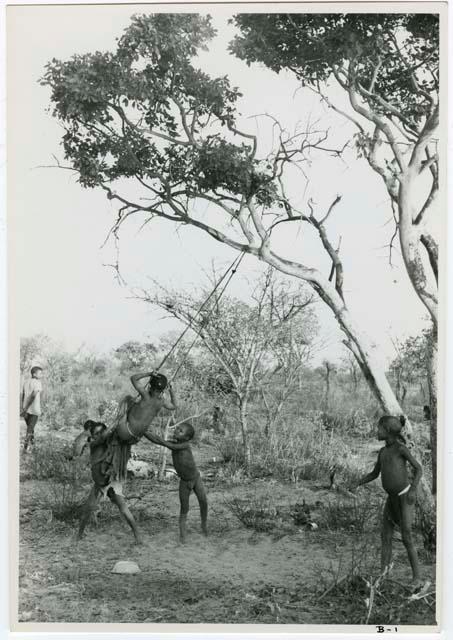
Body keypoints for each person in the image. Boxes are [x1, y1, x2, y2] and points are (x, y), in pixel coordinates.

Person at [351, 415, 423, 589]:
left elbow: (419, 469)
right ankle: (383, 576)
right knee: (386, 536)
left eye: (379, 428)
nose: (377, 431)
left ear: (388, 431)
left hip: (405, 497)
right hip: (391, 499)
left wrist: (413, 489)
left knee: (407, 537)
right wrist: (357, 482)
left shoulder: (401, 449)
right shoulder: (383, 452)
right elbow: (375, 473)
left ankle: (417, 578)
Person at [77, 419, 142, 544]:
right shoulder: (93, 444)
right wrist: (117, 421)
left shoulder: (112, 445)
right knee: (88, 509)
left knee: (123, 508)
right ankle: (79, 535)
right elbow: (103, 437)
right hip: (100, 483)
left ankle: (137, 535)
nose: (100, 434)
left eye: (102, 431)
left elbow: (124, 440)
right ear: (93, 436)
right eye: (97, 433)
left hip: (111, 481)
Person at [145, 422, 207, 543]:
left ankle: (204, 524)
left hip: (196, 478)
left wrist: (148, 433)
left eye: (180, 431)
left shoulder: (185, 445)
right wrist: (143, 432)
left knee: (203, 502)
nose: (177, 430)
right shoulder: (175, 444)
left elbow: (161, 442)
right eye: (177, 429)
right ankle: (183, 535)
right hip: (184, 481)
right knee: (184, 508)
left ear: (187, 437)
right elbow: (157, 441)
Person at [20, 366, 43, 453]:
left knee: (31, 428)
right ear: (34, 374)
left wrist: (22, 407)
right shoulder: (38, 382)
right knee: (30, 429)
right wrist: (26, 407)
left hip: (25, 409)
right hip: (34, 410)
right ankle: (25, 448)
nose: (42, 375)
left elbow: (22, 395)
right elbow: (33, 395)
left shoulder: (26, 382)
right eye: (40, 373)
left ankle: (33, 445)